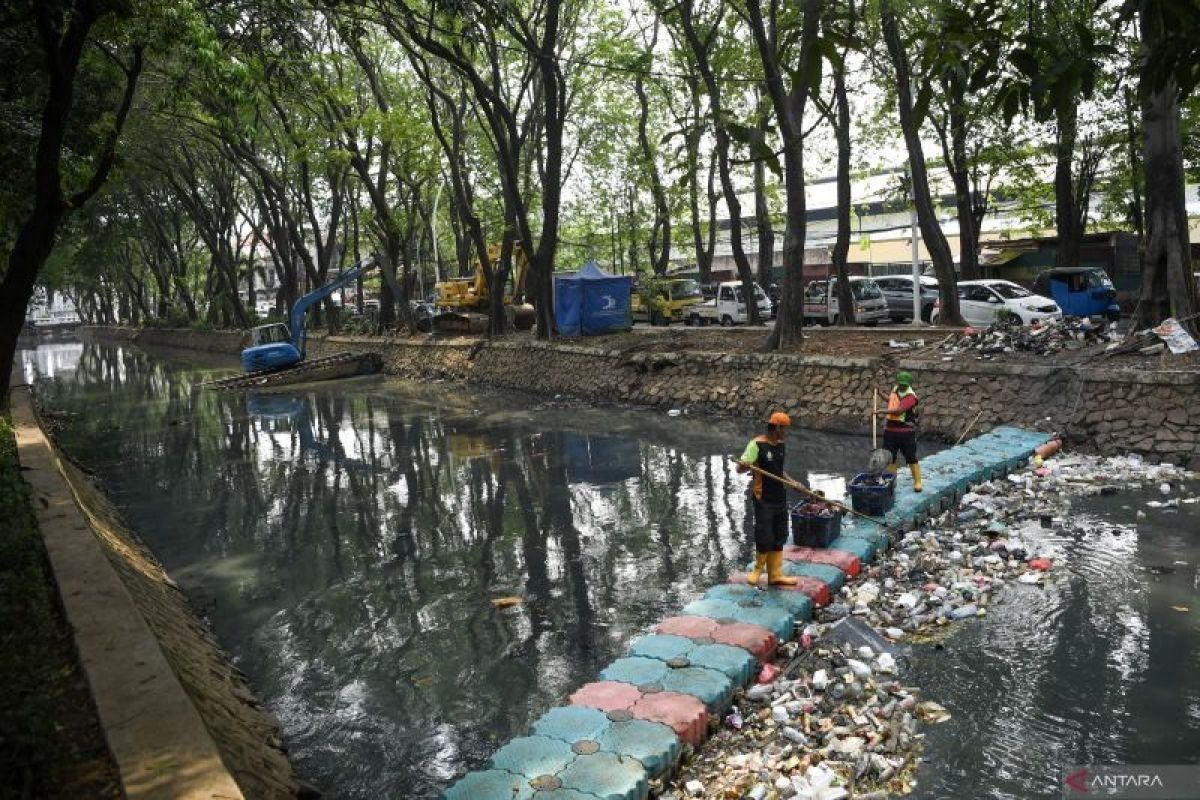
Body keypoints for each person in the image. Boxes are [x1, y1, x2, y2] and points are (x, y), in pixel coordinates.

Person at [737, 411, 799, 586]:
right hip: (762, 496)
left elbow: (779, 471)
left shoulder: (780, 444)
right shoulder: (756, 444)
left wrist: (792, 482)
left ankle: (775, 575)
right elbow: (739, 469)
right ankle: (757, 570)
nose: (786, 432)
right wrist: (745, 465)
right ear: (777, 427)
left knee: (780, 534)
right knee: (765, 535)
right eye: (785, 429)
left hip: (779, 495)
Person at [880, 370, 922, 492]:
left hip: (906, 432)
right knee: (890, 457)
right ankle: (892, 481)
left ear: (908, 384)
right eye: (900, 383)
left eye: (904, 384)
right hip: (890, 430)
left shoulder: (911, 397)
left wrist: (880, 412)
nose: (901, 385)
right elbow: (891, 401)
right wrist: (879, 394)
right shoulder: (896, 389)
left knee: (910, 456)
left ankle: (918, 482)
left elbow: (899, 411)